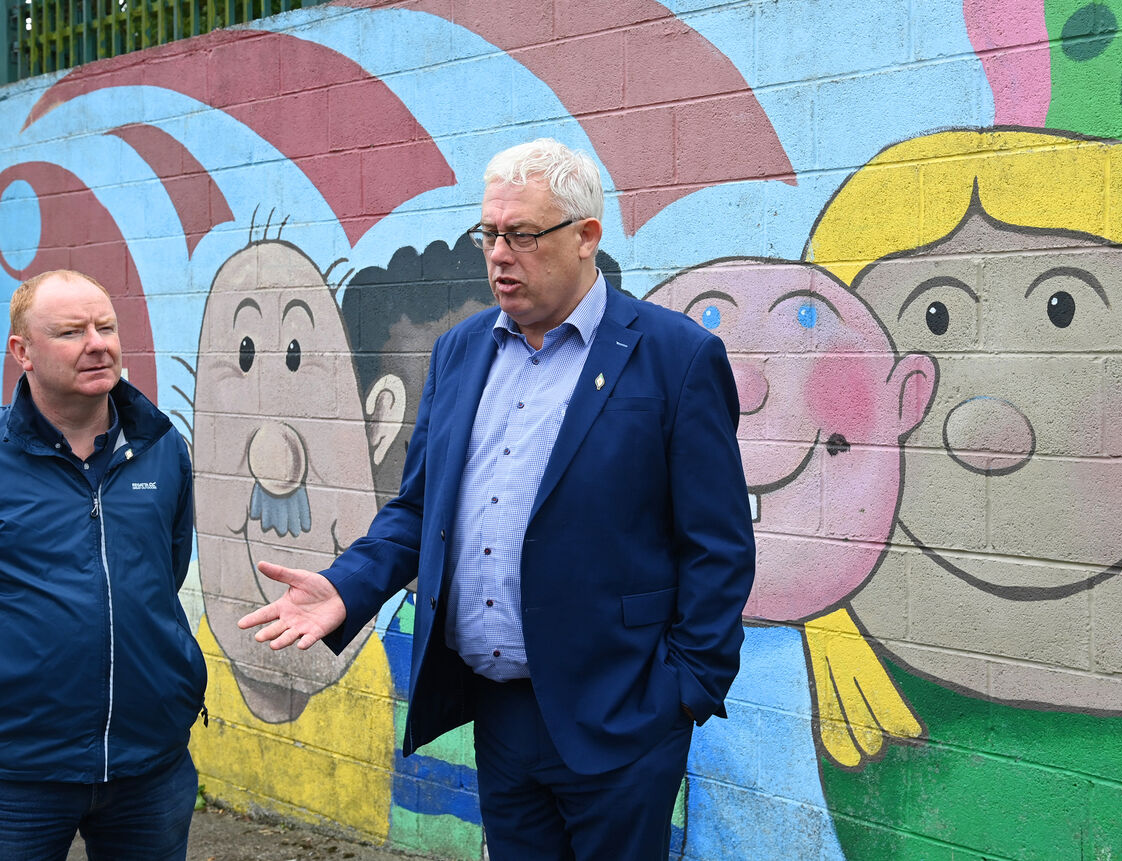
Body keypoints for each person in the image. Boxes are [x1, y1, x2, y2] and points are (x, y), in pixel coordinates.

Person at [239, 138, 756, 860]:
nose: (500, 254)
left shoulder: (673, 357)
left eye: (523, 234)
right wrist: (344, 588)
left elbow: (719, 545)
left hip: (623, 714)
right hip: (500, 709)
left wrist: (683, 693)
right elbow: (419, 507)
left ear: (585, 238)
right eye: (490, 233)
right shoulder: (460, 351)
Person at [0, 270, 206, 860]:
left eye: (106, 326)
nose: (97, 343)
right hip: (19, 772)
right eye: (70, 332)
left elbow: (166, 571)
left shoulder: (163, 447)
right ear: (24, 352)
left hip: (150, 764)